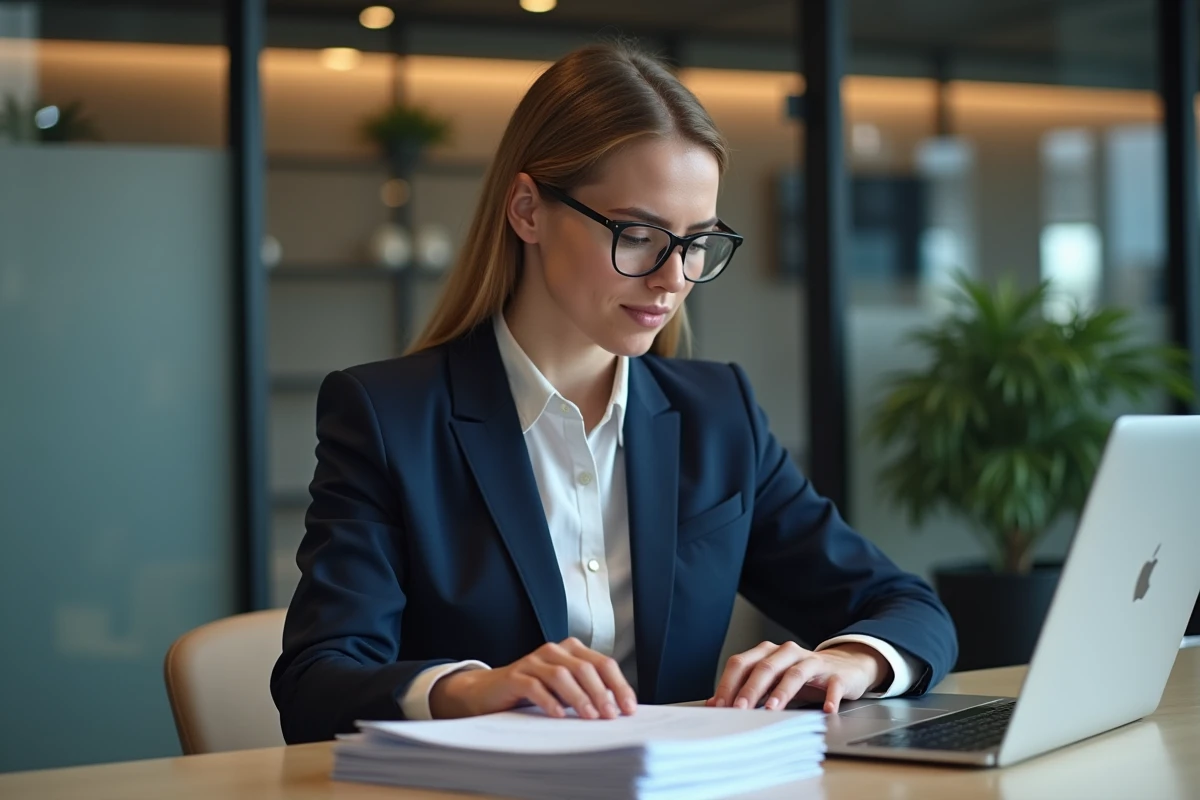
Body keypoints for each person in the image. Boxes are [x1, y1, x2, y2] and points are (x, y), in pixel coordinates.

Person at [270, 41, 957, 745]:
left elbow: (905, 606)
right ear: (529, 210)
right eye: (639, 235)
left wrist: (850, 661)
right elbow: (316, 683)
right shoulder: (389, 418)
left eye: (697, 241)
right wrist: (474, 687)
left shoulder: (716, 414)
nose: (673, 278)